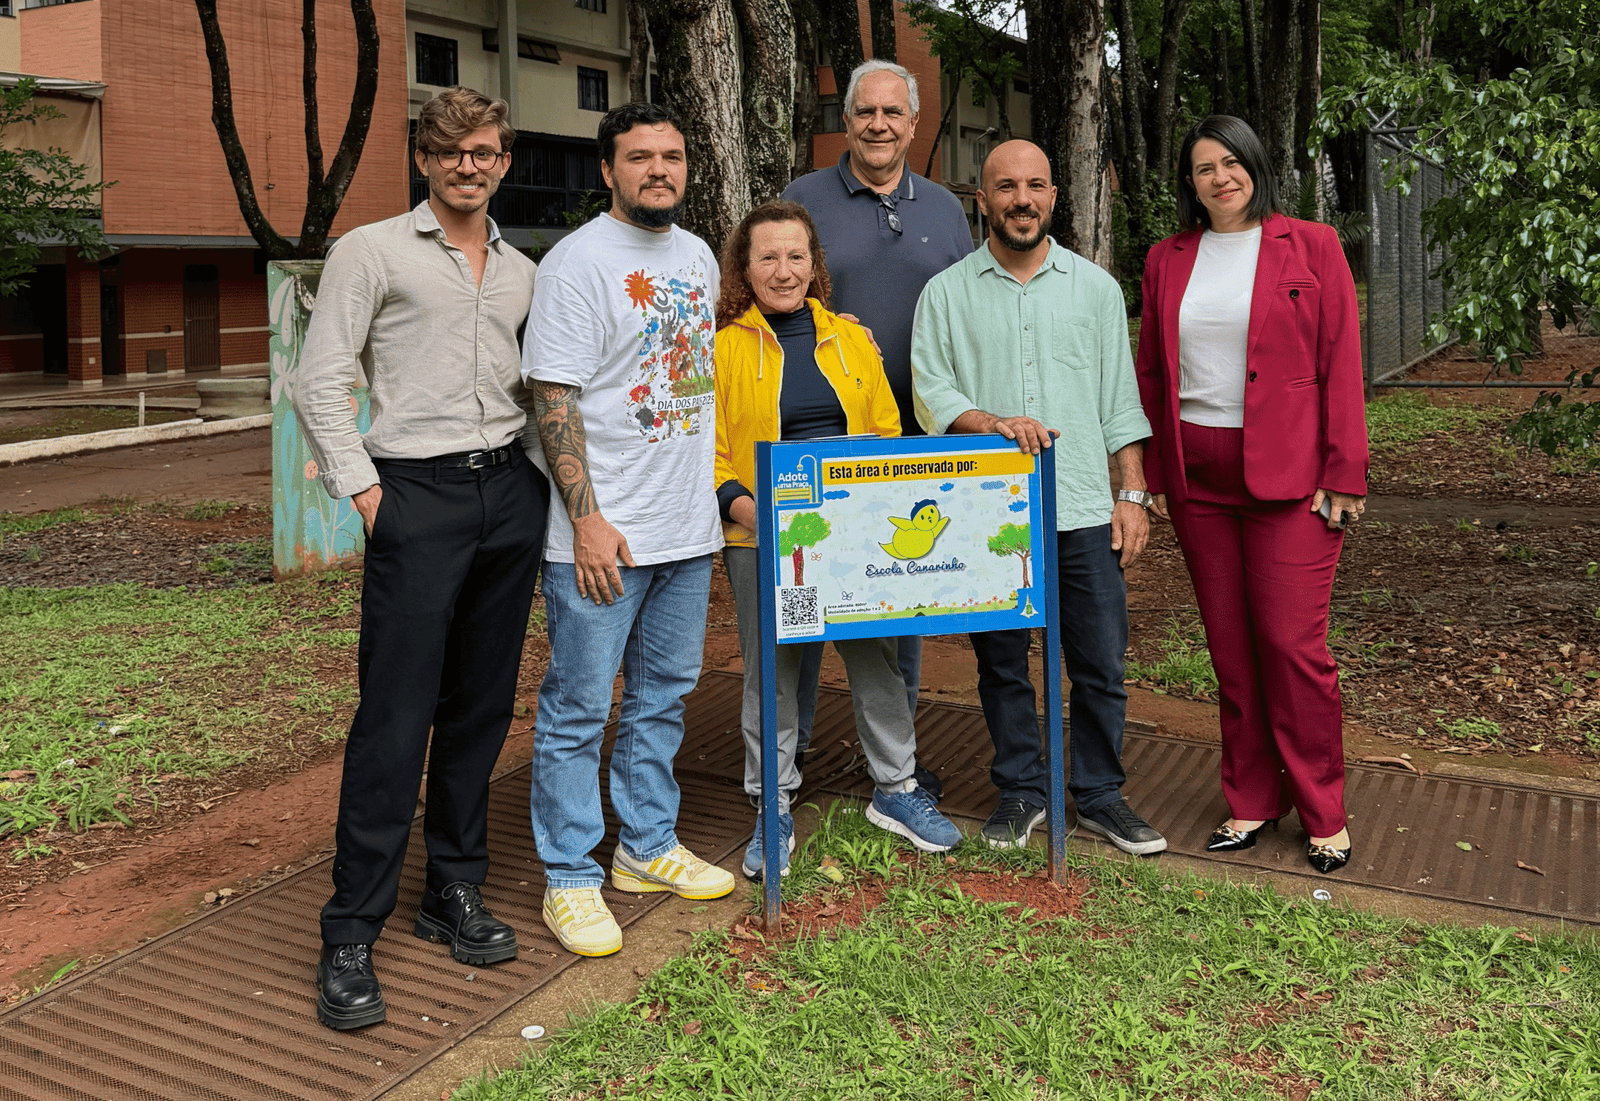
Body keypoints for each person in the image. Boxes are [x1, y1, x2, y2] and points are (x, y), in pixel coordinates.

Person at [292, 87, 546, 1030]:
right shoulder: (370, 251)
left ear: (503, 161)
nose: (467, 165)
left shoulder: (523, 270)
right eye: (450, 151)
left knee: (481, 706)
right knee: (395, 716)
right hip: (414, 496)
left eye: (484, 151)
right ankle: (350, 928)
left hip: (508, 494)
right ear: (424, 160)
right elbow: (319, 379)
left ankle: (453, 886)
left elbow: (535, 385)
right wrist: (367, 497)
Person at [911, 139, 1167, 857]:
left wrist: (1133, 493)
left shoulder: (1095, 290)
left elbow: (1120, 402)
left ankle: (1100, 794)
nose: (1021, 199)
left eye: (1035, 186)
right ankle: (1021, 790)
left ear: (1053, 196)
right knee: (1002, 664)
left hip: (1083, 507)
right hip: (989, 513)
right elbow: (932, 393)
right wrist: (991, 423)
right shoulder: (946, 294)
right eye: (1006, 187)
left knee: (1100, 663)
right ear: (983, 200)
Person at [520, 101, 734, 959]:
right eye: (639, 157)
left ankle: (645, 846)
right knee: (578, 705)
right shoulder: (575, 264)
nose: (659, 170)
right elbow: (553, 396)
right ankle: (570, 874)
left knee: (662, 698)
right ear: (608, 169)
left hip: (684, 528)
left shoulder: (698, 255)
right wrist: (587, 520)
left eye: (671, 156)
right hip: (603, 535)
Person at [1134, 116, 1368, 875]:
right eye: (1204, 167)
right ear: (1190, 183)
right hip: (1198, 477)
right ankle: (1251, 799)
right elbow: (1151, 370)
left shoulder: (1313, 245)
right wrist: (1154, 476)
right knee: (1232, 651)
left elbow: (1341, 359)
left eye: (1232, 162)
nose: (1221, 177)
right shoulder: (1167, 258)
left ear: (1256, 166)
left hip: (1290, 477)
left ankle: (1323, 811)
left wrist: (1345, 471)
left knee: (1292, 648)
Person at [713, 201, 964, 878]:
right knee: (775, 669)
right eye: (768, 257)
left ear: (814, 264)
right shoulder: (723, 348)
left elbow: (886, 433)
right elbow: (711, 453)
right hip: (766, 539)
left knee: (875, 658)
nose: (783, 270)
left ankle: (896, 787)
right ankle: (773, 803)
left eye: (796, 255)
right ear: (744, 268)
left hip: (854, 538)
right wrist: (748, 511)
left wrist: (870, 510)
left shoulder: (851, 342)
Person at [781, 59, 973, 791]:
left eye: (893, 113)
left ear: (914, 123)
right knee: (801, 599)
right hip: (815, 436)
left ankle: (897, 762)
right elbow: (768, 289)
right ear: (848, 120)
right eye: (866, 111)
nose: (879, 125)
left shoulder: (945, 210)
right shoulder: (802, 199)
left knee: (901, 593)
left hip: (913, 436)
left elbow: (964, 310)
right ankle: (789, 758)